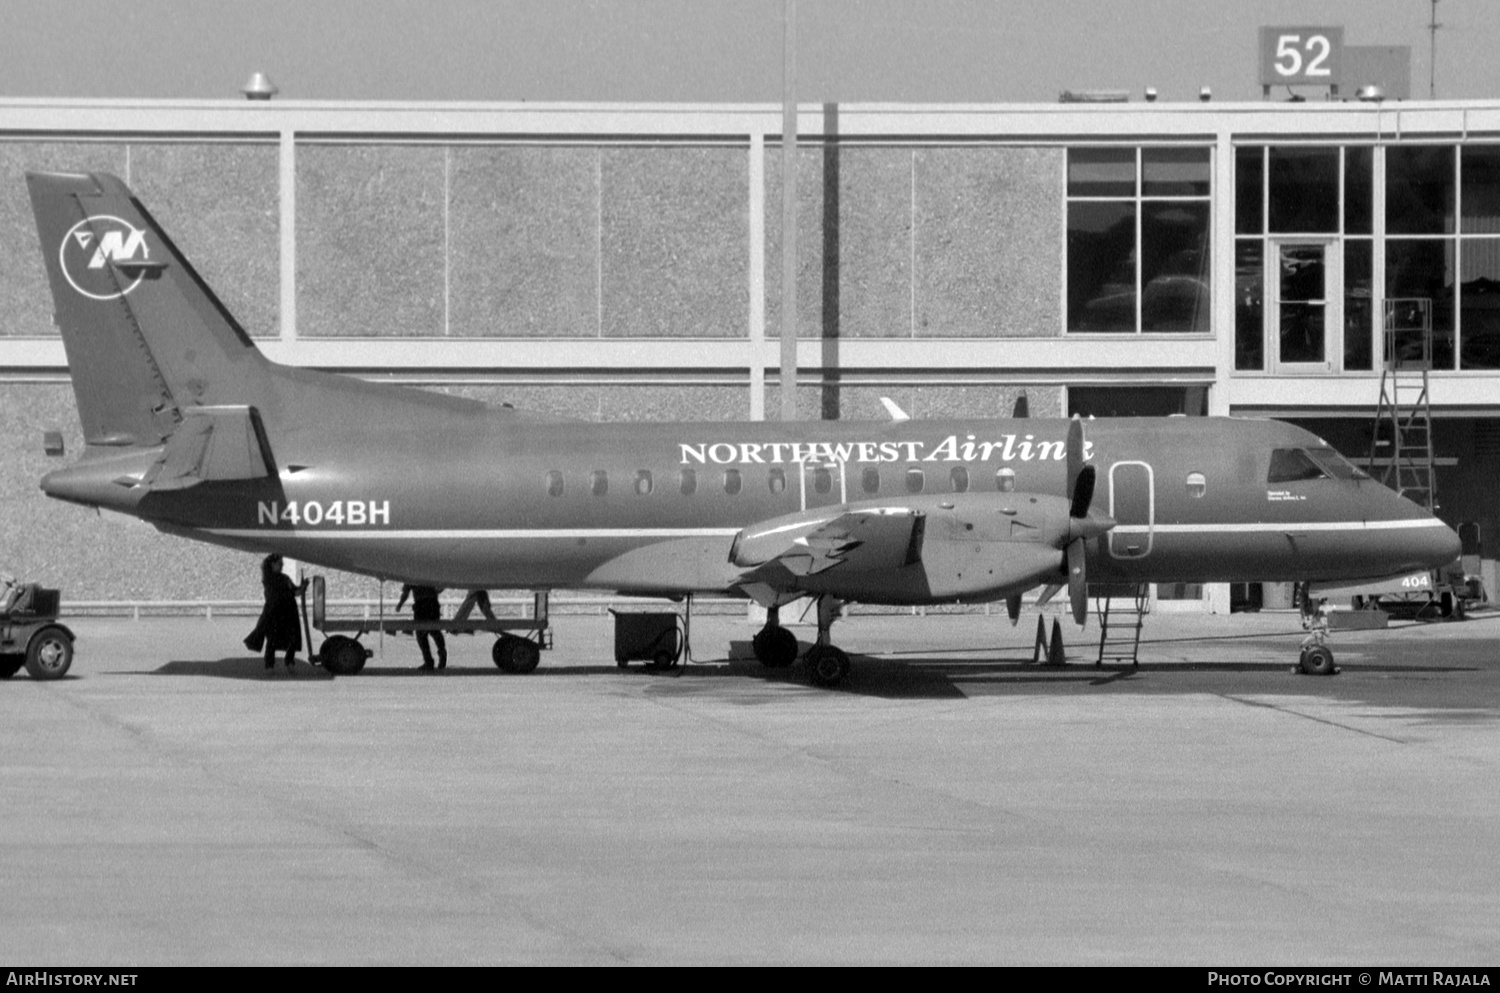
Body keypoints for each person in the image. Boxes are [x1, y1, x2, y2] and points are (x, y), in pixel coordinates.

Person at [246, 554, 306, 671]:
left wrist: (303, 586)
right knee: (272, 640)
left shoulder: (284, 578)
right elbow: (279, 594)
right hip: (275, 613)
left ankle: (289, 662)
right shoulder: (269, 580)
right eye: (279, 563)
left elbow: (296, 592)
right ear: (272, 565)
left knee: (292, 639)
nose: (282, 565)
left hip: (288, 613)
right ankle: (270, 665)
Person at [397, 584, 447, 670]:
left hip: (421, 604)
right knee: (434, 631)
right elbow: (440, 587)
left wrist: (400, 604)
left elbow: (406, 592)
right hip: (432, 603)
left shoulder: (411, 573)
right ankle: (441, 653)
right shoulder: (429, 571)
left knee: (421, 634)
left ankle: (429, 661)